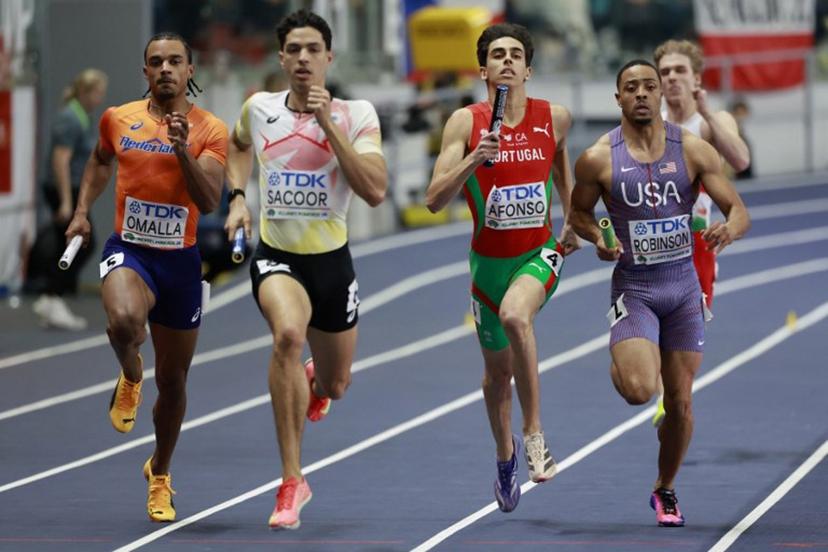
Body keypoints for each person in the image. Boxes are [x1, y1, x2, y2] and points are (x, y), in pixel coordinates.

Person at [223, 9, 387, 529]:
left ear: (328, 58)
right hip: (276, 255)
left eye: (312, 49)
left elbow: (375, 191)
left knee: (338, 385)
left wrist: (326, 124)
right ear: (281, 59)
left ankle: (318, 383)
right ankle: (292, 480)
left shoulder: (358, 114)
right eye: (293, 50)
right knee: (287, 337)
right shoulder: (258, 108)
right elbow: (238, 147)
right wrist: (236, 198)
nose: (302, 58)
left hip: (331, 263)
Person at [569, 59, 750, 527]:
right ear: (619, 98)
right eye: (633, 88)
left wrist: (729, 229)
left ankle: (665, 489)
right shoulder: (596, 158)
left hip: (684, 290)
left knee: (681, 403)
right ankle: (624, 351)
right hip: (636, 288)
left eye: (650, 86)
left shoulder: (691, 150)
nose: (643, 94)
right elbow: (578, 216)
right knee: (638, 390)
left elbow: (738, 209)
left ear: (658, 95)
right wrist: (600, 236)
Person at [65, 33, 228, 522]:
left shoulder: (210, 129)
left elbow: (209, 202)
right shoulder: (118, 118)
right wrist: (80, 212)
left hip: (179, 264)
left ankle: (160, 472)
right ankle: (132, 373)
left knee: (175, 385)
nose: (165, 69)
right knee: (124, 324)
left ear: (190, 71)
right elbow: (98, 161)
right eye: (156, 61)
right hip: (130, 251)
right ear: (145, 72)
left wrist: (181, 150)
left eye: (175, 61)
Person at [426, 22, 579, 513]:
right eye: (497, 55)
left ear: (528, 68)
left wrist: (574, 222)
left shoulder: (554, 117)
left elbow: (562, 171)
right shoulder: (464, 123)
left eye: (516, 54)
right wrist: (475, 158)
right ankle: (505, 453)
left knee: (518, 316)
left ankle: (535, 434)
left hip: (538, 255)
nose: (507, 61)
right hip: (486, 267)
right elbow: (433, 200)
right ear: (483, 69)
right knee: (497, 378)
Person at [650, 39, 752, 426]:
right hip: (653, 234)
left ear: (696, 78)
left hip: (697, 239)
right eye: (665, 72)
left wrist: (708, 112)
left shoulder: (714, 120)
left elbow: (741, 160)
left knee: (683, 332)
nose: (672, 78)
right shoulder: (649, 118)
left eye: (679, 71)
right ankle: (665, 397)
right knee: (651, 319)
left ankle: (672, 397)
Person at [29, 68, 108, 330]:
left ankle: (52, 296)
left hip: (72, 189)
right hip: (64, 189)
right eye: (97, 93)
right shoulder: (70, 119)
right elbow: (60, 161)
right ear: (85, 92)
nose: (100, 98)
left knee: (71, 243)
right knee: (84, 242)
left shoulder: (81, 117)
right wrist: (65, 201)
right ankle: (53, 295)